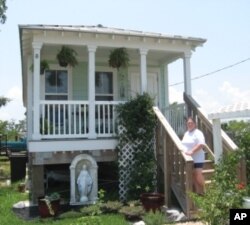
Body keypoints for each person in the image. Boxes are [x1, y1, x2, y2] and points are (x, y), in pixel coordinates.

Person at [181, 117, 205, 195]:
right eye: (188, 123)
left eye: (191, 123)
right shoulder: (186, 133)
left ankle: (204, 189)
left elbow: (201, 144)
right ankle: (199, 192)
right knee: (193, 175)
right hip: (188, 158)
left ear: (195, 124)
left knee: (198, 174)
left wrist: (192, 151)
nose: (190, 124)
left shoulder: (198, 133)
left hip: (198, 158)